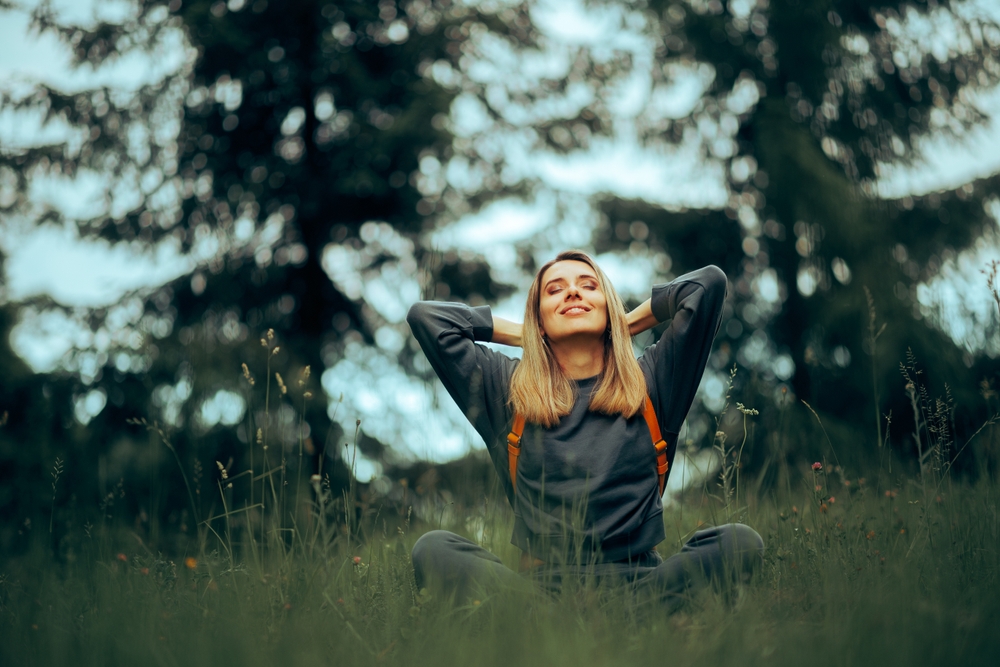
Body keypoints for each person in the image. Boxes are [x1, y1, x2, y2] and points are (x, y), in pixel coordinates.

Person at [405, 250, 763, 607]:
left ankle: (609, 622)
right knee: (434, 548)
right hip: (540, 595)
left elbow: (707, 285)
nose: (573, 293)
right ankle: (572, 626)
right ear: (538, 318)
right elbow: (428, 318)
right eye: (554, 290)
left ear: (608, 306)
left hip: (642, 585)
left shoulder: (653, 381)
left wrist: (623, 325)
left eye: (588, 286)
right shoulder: (507, 388)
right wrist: (529, 335)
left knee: (739, 542)